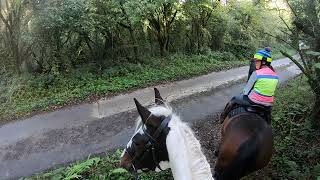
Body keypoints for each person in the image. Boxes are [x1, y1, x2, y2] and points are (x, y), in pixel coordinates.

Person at [220, 47, 279, 124]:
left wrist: (246, 93)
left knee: (234, 99)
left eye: (257, 61)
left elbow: (246, 91)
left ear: (263, 62)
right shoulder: (276, 76)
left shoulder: (257, 73)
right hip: (267, 105)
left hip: (253, 101)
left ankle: (222, 118)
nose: (255, 63)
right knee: (268, 121)